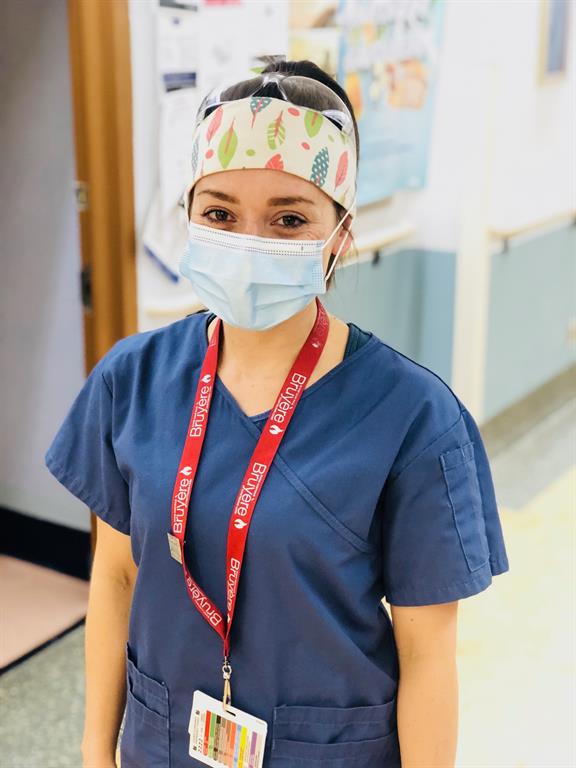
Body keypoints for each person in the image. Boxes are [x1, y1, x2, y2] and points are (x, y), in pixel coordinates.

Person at [44, 56, 510, 768]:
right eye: (221, 213)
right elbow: (114, 576)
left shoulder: (413, 420)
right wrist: (94, 751)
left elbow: (428, 660)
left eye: (289, 218)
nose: (250, 241)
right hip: (160, 746)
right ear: (191, 217)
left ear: (340, 235)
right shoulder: (131, 382)